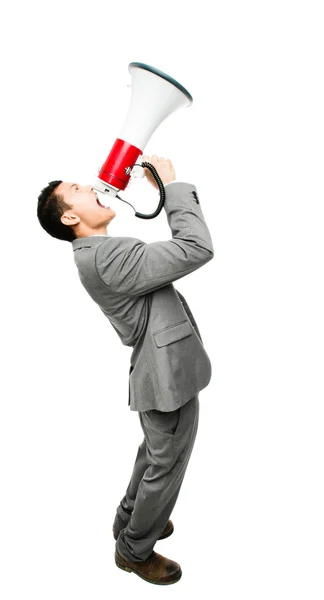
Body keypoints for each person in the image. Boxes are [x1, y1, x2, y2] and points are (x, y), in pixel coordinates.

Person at [37, 154, 214, 585]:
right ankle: (134, 549)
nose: (93, 186)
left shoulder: (97, 252)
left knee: (154, 454)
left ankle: (130, 518)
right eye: (79, 190)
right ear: (71, 216)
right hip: (166, 376)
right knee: (166, 465)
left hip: (160, 370)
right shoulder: (107, 257)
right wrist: (171, 187)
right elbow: (197, 248)